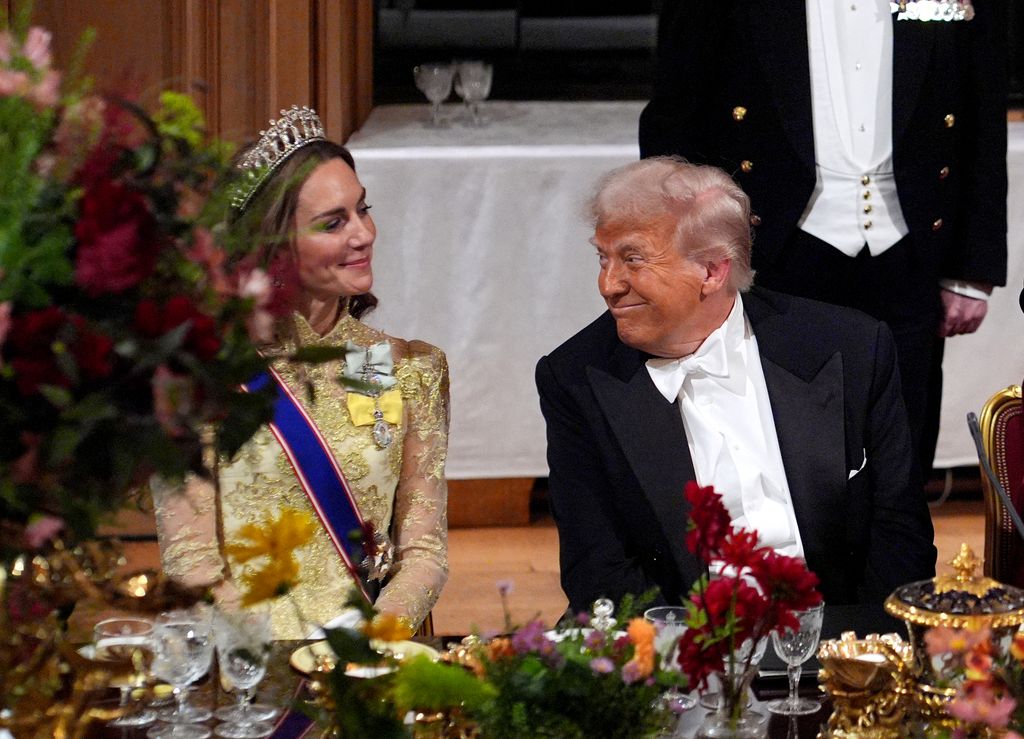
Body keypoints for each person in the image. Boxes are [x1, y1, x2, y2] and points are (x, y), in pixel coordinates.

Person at [536, 158, 936, 614]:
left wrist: (858, 657)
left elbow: (901, 539)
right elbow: (598, 572)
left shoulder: (851, 347)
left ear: (712, 270)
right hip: (679, 652)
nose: (608, 285)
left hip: (837, 647)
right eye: (603, 258)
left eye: (633, 259)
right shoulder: (576, 378)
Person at [638, 0, 1008, 482]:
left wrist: (972, 268)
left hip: (908, 249)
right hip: (772, 250)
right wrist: (687, 257)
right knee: (777, 458)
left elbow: (982, 109)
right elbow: (675, 117)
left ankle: (901, 559)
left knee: (902, 456)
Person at [153, 106, 449, 638]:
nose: (363, 234)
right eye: (334, 223)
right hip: (251, 674)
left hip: (370, 665)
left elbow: (424, 552)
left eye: (364, 209)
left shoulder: (407, 368)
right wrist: (278, 665)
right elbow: (190, 564)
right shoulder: (195, 380)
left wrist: (368, 645)